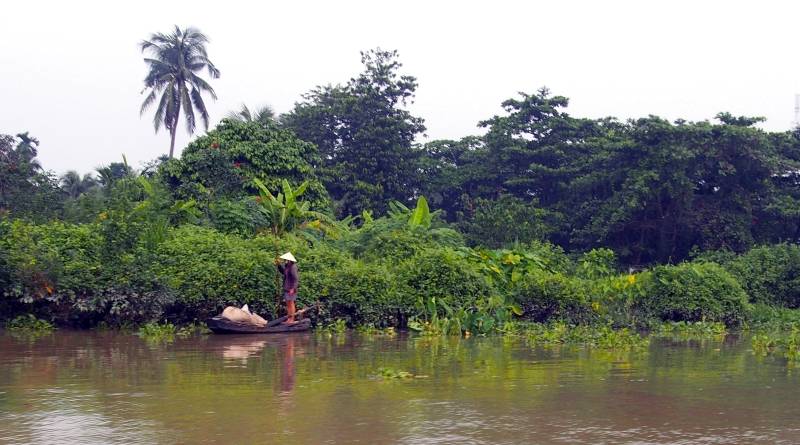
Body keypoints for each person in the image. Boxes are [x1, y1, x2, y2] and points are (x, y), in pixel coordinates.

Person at [276, 252, 299, 324]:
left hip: (291, 288)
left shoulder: (293, 267)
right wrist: (278, 265)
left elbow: (296, 279)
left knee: (291, 303)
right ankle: (289, 319)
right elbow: (283, 272)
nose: (284, 260)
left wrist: (293, 288)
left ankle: (292, 319)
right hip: (286, 288)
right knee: (288, 303)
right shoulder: (287, 266)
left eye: (285, 259)